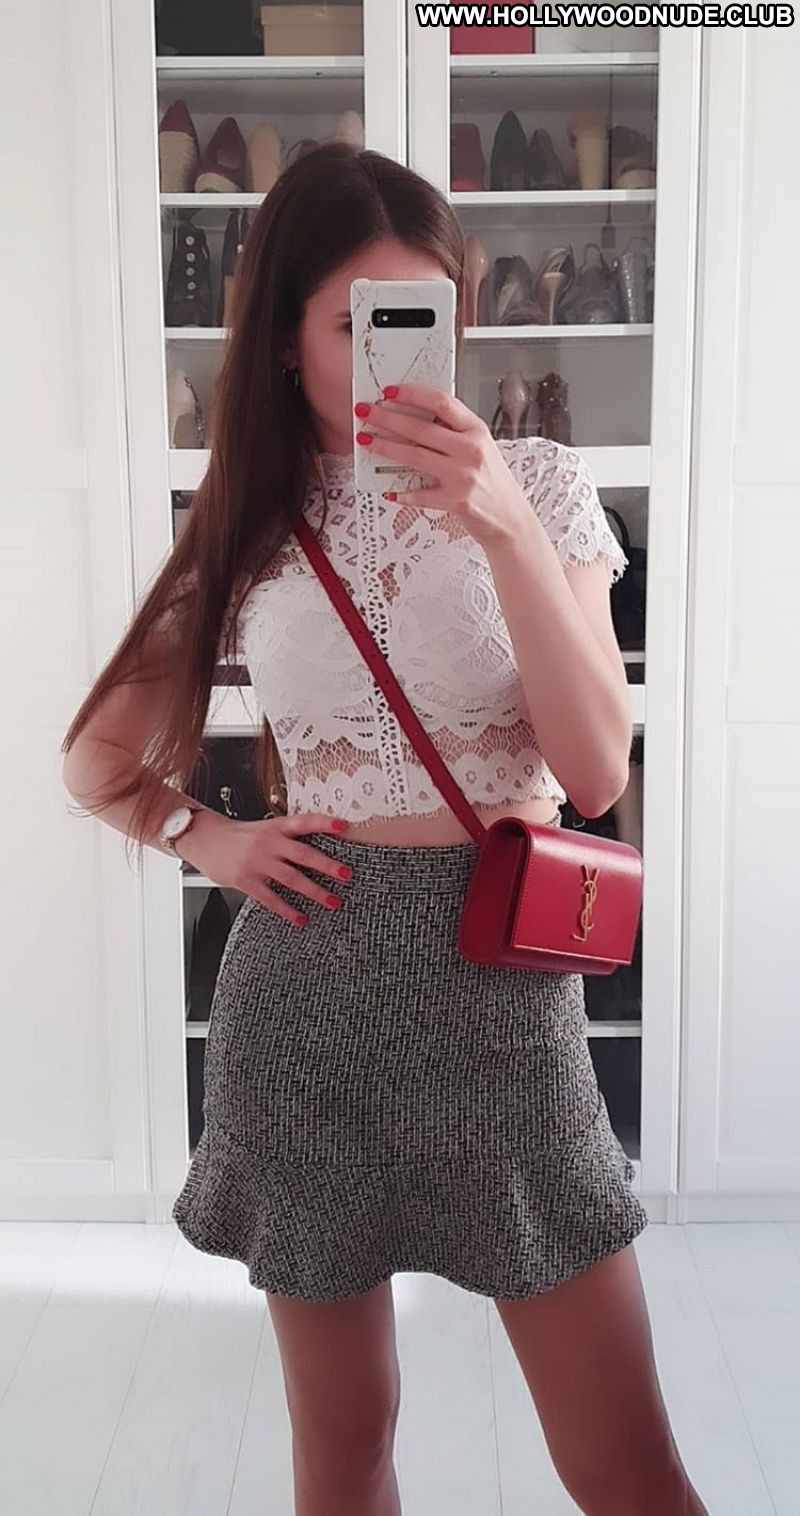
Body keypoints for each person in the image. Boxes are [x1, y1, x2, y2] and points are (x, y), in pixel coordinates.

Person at [61, 143, 708, 1516]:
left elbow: (595, 770)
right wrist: (210, 840)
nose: (393, 356)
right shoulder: (251, 519)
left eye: (421, 315)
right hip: (308, 1008)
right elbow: (97, 755)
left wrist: (502, 528)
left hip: (504, 997)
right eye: (356, 322)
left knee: (629, 1470)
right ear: (284, 337)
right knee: (344, 1454)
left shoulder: (537, 481)